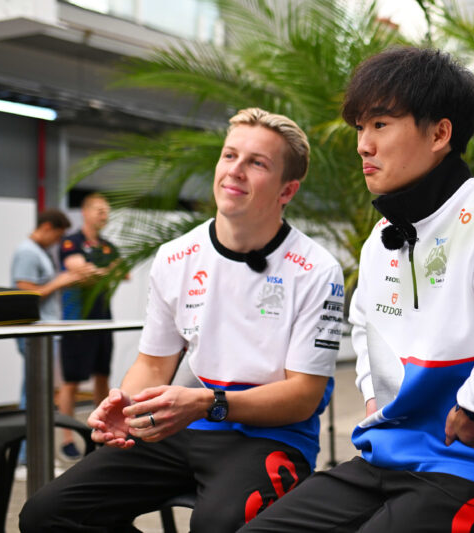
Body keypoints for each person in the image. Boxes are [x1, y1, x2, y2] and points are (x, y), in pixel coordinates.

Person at [240, 47, 474, 533]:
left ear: (440, 133)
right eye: (360, 128)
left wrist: (473, 406)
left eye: (381, 124)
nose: (363, 144)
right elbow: (365, 329)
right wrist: (374, 400)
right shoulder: (381, 238)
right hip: (389, 457)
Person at [20, 108, 345, 532]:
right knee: (47, 515)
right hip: (181, 427)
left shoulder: (315, 268)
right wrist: (124, 405)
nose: (236, 171)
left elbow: (303, 395)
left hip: (272, 436)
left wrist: (208, 403)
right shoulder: (177, 256)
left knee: (220, 524)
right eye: (230, 156)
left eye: (257, 163)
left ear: (288, 190)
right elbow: (154, 363)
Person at [10, 209, 93, 470]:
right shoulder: (27, 252)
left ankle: (30, 458)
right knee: (33, 397)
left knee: (38, 395)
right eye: (57, 236)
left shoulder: (39, 251)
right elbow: (26, 293)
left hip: (44, 331)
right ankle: (25, 460)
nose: (58, 242)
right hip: (34, 333)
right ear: (47, 227)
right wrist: (61, 281)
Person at [56, 192, 124, 460]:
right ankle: (67, 438)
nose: (103, 215)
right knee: (71, 381)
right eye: (98, 210)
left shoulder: (107, 245)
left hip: (103, 319)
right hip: (76, 321)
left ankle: (103, 430)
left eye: (106, 211)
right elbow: (78, 270)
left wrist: (93, 271)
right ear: (84, 212)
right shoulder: (72, 241)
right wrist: (104, 271)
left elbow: (123, 272)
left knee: (102, 376)